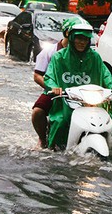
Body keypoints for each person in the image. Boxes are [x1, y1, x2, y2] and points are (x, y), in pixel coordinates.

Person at [43, 17, 112, 149]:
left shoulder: (95, 57)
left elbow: (105, 74)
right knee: (61, 121)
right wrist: (54, 87)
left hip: (92, 102)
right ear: (72, 38)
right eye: (79, 38)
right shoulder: (59, 57)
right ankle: (53, 149)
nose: (82, 42)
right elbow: (49, 76)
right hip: (66, 102)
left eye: (85, 39)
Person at [30, 17, 81, 148]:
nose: (81, 40)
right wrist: (51, 87)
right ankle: (43, 139)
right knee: (38, 111)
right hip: (56, 92)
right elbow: (37, 75)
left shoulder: (86, 54)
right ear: (68, 34)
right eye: (77, 35)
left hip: (80, 93)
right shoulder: (50, 52)